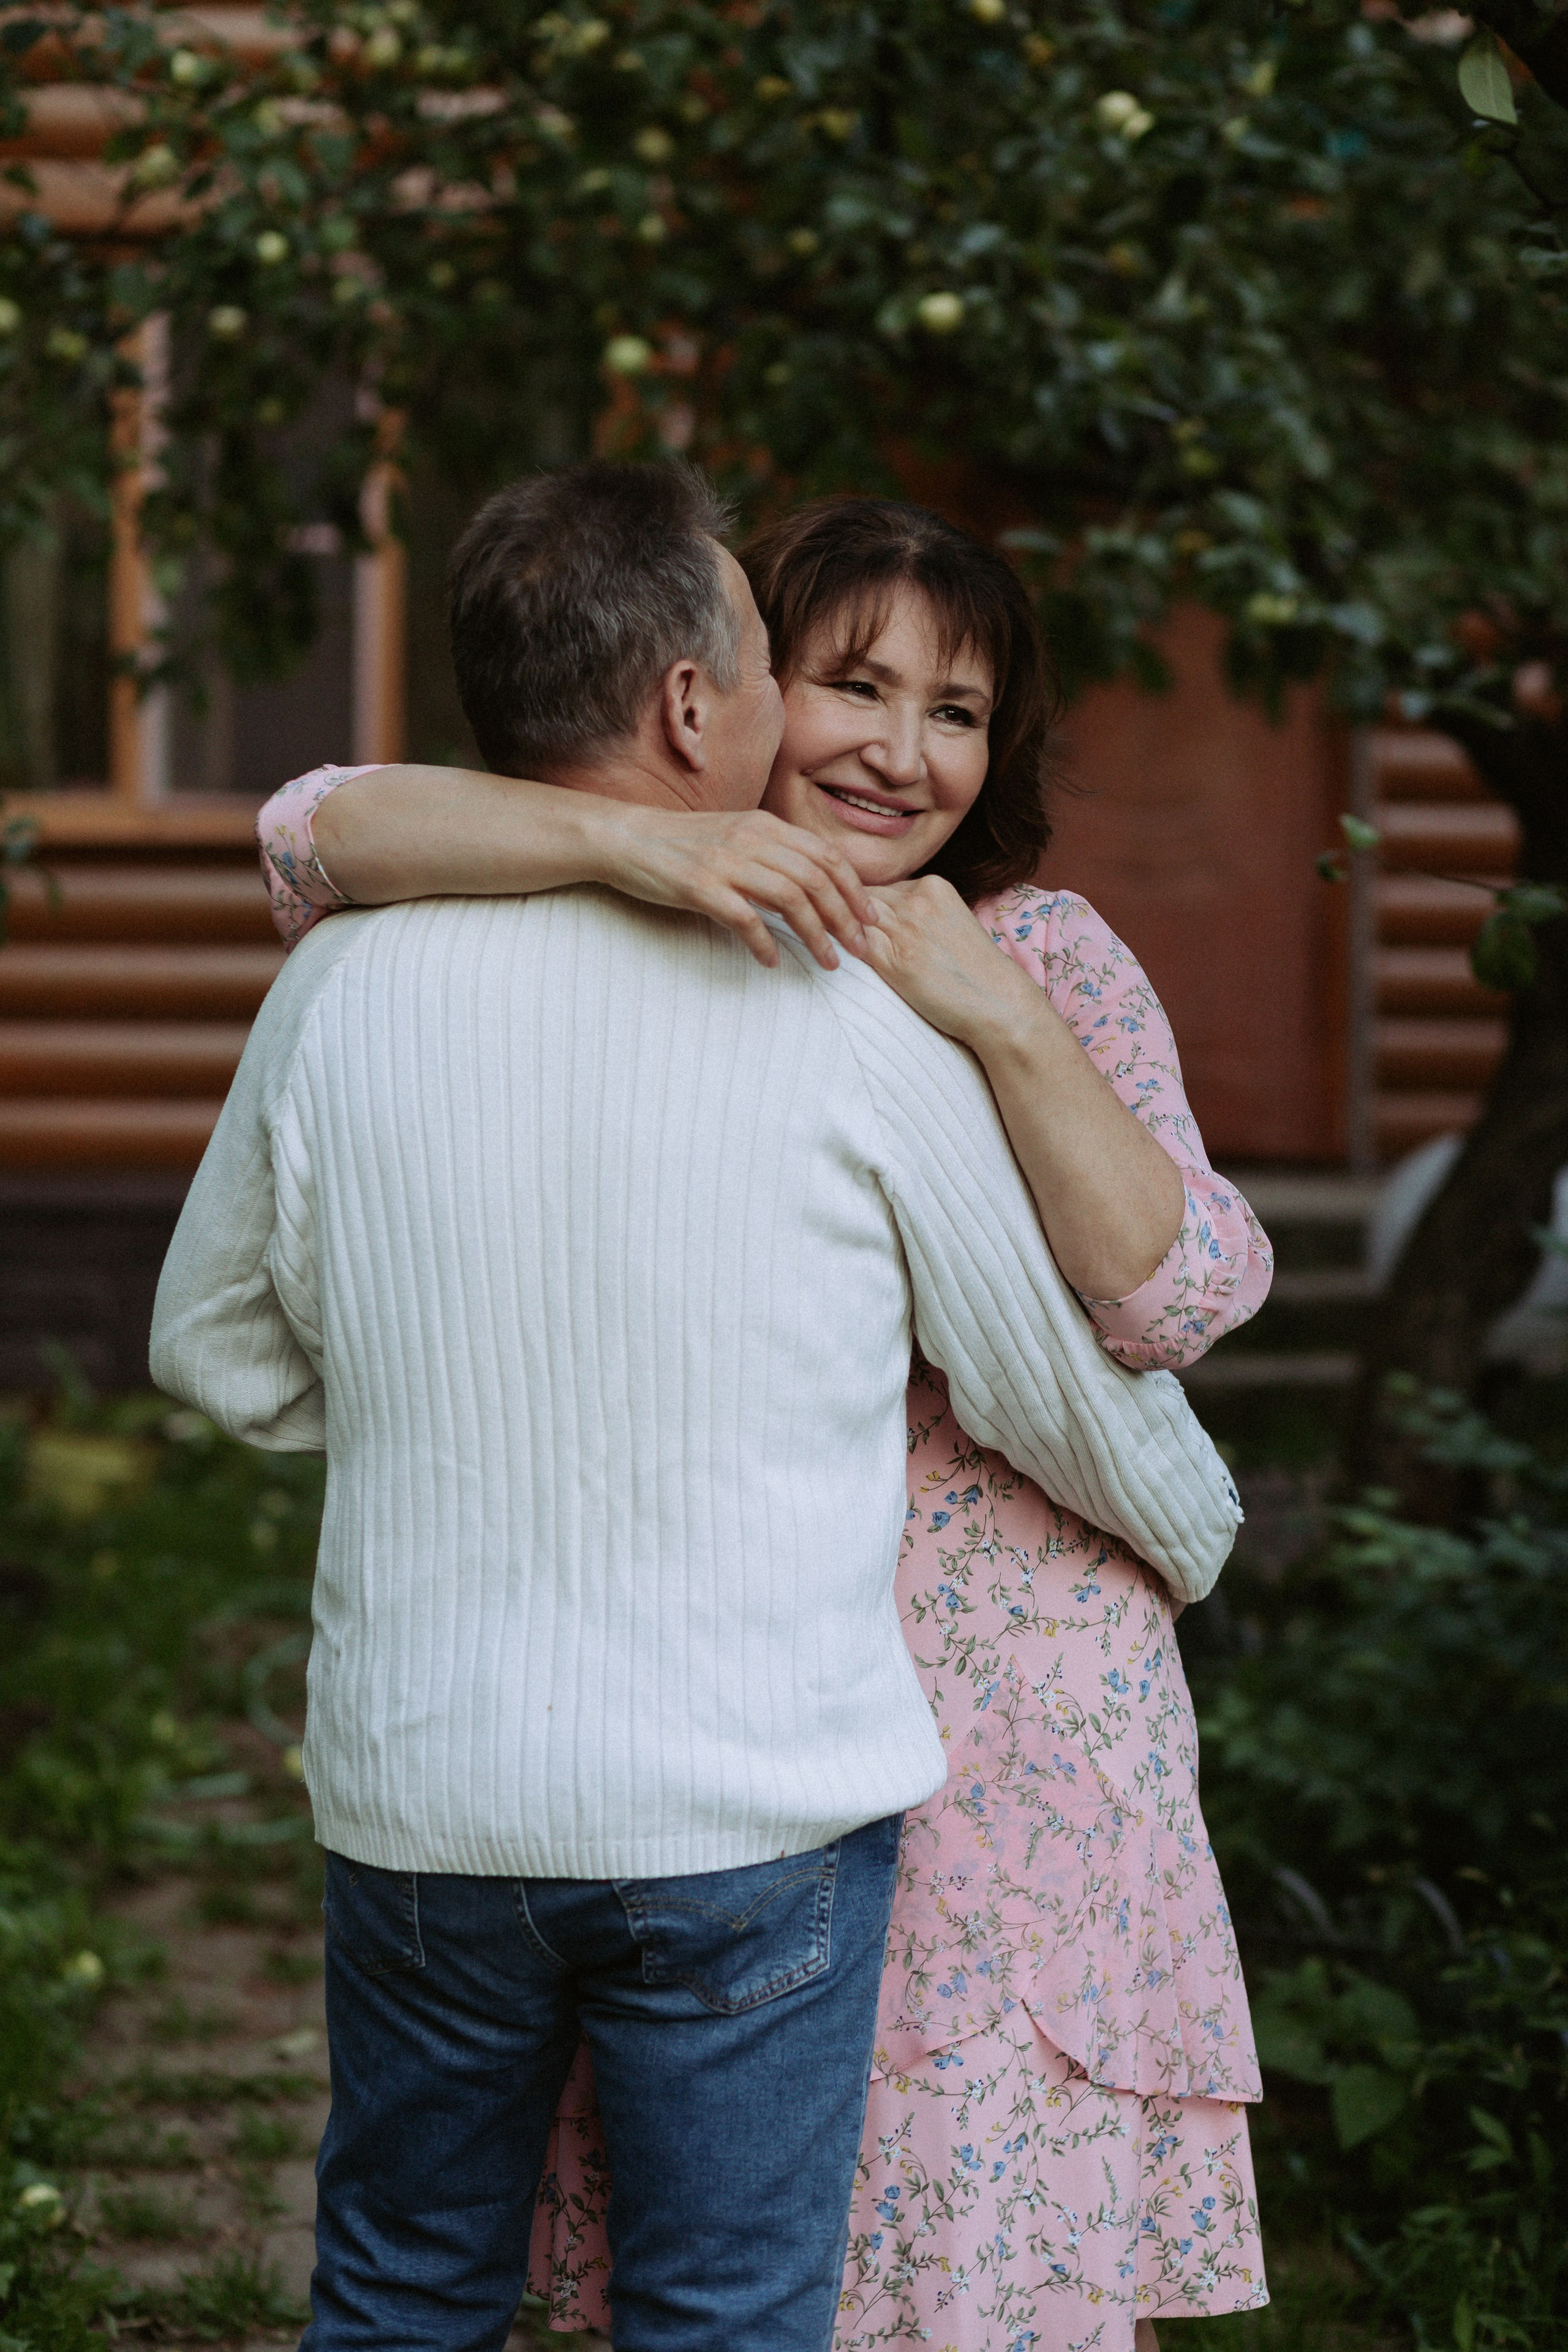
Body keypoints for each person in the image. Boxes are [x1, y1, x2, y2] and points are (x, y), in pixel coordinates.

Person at [153, 461, 1243, 2352]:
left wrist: (984, 1007)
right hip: (733, 1745)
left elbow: (1178, 1295)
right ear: (709, 701)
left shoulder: (1030, 959)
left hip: (899, 1729)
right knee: (721, 2286)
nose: (905, 750)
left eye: (961, 711)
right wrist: (635, 852)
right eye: (846, 682)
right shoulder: (740, 957)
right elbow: (310, 822)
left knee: (868, 2257)